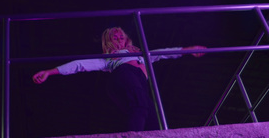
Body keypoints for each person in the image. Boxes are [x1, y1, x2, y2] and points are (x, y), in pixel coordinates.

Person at [32, 27, 206, 132]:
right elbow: (80, 64)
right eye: (114, 37)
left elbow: (163, 53)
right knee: (140, 106)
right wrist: (50, 72)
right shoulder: (110, 58)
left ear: (126, 39)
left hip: (138, 82)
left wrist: (188, 49)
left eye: (121, 36)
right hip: (124, 75)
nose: (118, 39)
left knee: (152, 119)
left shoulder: (139, 53)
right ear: (108, 41)